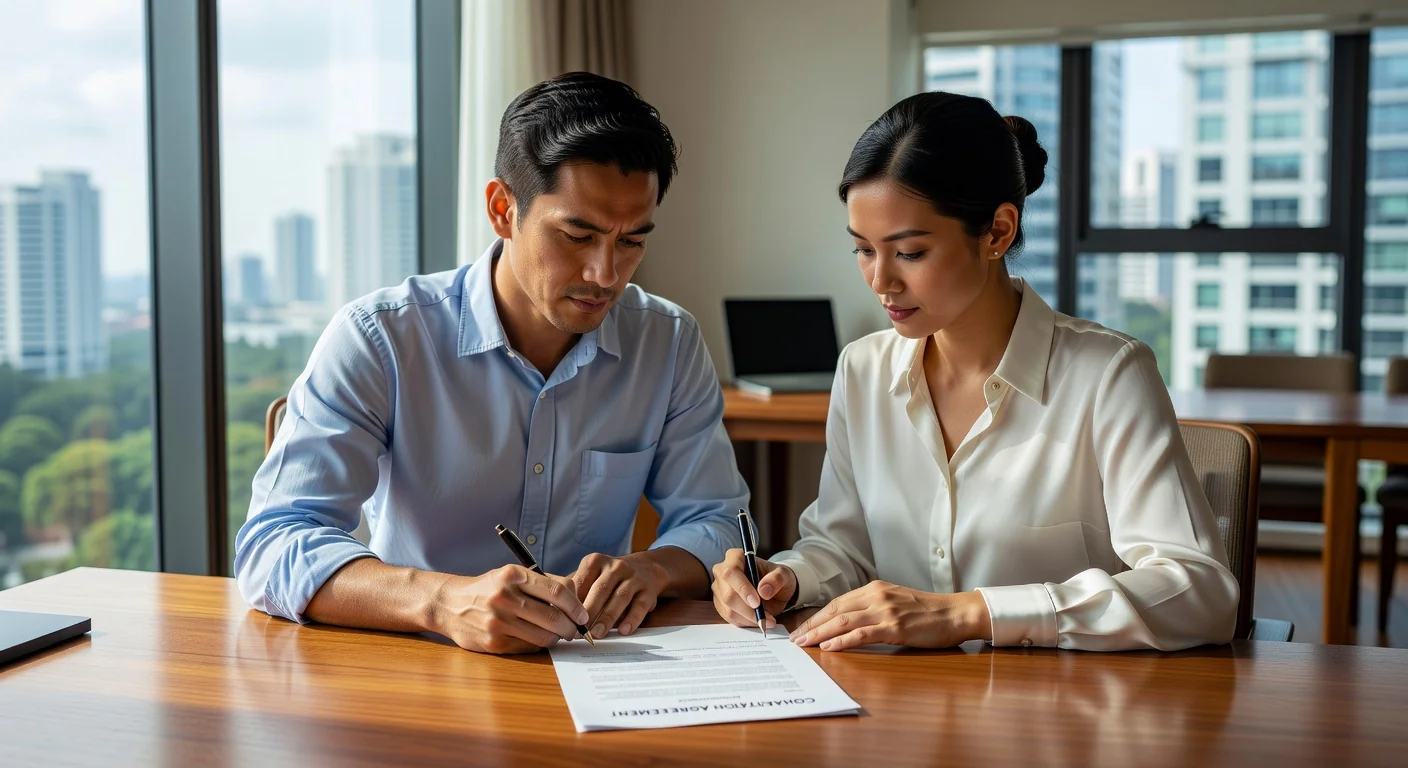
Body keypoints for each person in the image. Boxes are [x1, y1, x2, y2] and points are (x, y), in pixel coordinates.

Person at [236, 72, 749, 654]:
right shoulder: (380, 339)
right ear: (503, 209)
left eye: (631, 241)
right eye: (577, 236)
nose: (606, 274)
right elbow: (272, 544)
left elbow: (718, 522)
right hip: (422, 665)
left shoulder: (668, 342)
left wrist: (652, 569)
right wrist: (443, 601)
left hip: (598, 666)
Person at [711, 92, 1238, 652]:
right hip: (897, 696)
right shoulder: (862, 370)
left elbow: (1200, 591)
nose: (880, 281)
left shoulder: (1109, 375)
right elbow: (844, 547)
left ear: (997, 232)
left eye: (910, 253)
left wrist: (972, 613)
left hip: (1060, 699)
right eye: (863, 250)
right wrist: (787, 579)